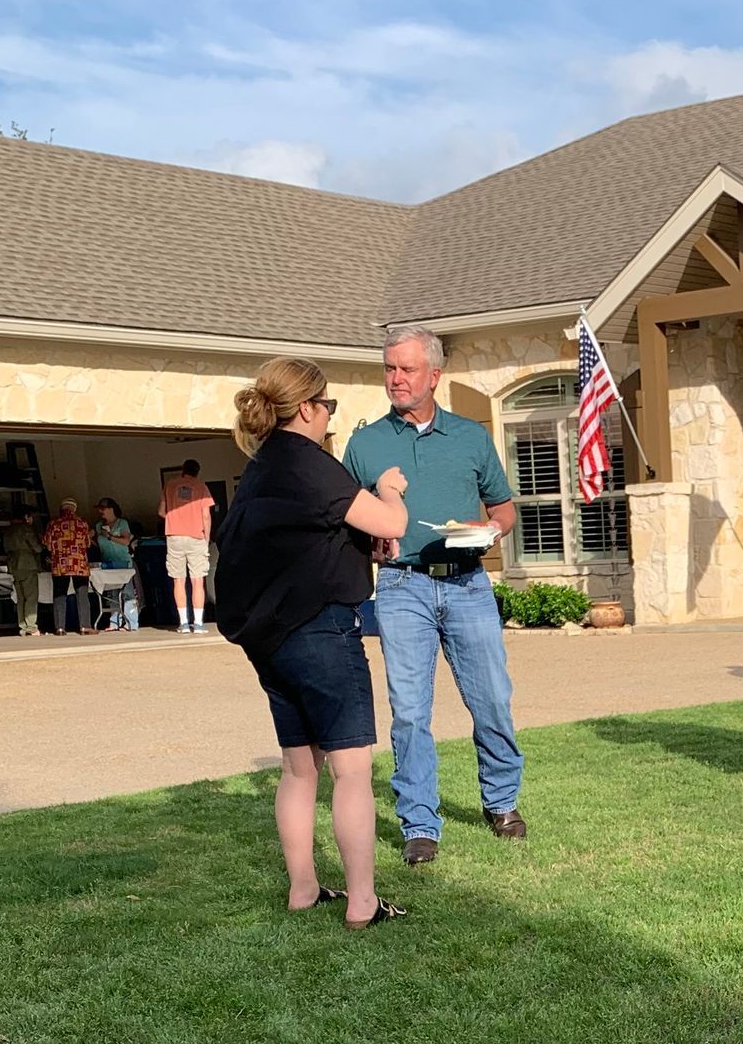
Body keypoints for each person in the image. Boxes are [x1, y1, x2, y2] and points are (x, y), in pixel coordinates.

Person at [212, 357, 409, 929]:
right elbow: (390, 523)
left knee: (300, 770)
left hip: (270, 641)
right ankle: (362, 902)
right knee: (352, 770)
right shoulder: (309, 462)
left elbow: (307, 537)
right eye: (328, 406)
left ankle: (303, 889)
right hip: (321, 631)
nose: (329, 416)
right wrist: (389, 491)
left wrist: (360, 545)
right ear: (306, 408)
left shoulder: (262, 468)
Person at [342, 324, 523, 867]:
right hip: (402, 587)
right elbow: (347, 521)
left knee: (491, 698)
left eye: (407, 368)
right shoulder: (364, 444)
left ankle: (502, 802)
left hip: (468, 583)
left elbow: (504, 510)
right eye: (389, 368)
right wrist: (370, 541)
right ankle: (420, 823)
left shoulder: (471, 436)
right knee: (409, 711)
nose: (396, 378)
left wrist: (491, 530)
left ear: (434, 375)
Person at [160, 458, 215, 634]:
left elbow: (161, 511)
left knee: (178, 580)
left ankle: (183, 623)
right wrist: (206, 538)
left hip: (174, 536)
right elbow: (206, 516)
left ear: (183, 470)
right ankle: (198, 624)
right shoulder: (201, 486)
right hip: (196, 537)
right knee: (197, 580)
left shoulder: (170, 485)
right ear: (197, 472)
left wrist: (175, 519)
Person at [43, 499, 95, 636]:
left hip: (60, 564)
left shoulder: (53, 523)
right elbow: (87, 543)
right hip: (79, 564)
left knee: (60, 594)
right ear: (74, 509)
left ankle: (60, 627)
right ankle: (85, 626)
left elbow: (47, 544)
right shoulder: (82, 523)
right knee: (82, 594)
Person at [92, 497, 140, 631]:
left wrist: (109, 536)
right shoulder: (98, 525)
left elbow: (126, 541)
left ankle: (131, 622)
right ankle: (114, 622)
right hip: (108, 563)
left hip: (123, 563)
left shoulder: (122, 523)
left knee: (127, 593)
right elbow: (98, 544)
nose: (100, 512)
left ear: (111, 509)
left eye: (103, 509)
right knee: (112, 593)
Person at [2, 510, 43, 636]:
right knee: (31, 596)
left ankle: (23, 626)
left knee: (21, 598)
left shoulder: (8, 531)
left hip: (13, 566)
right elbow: (37, 548)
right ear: (26, 517)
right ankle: (31, 626)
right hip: (28, 564)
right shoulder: (26, 529)